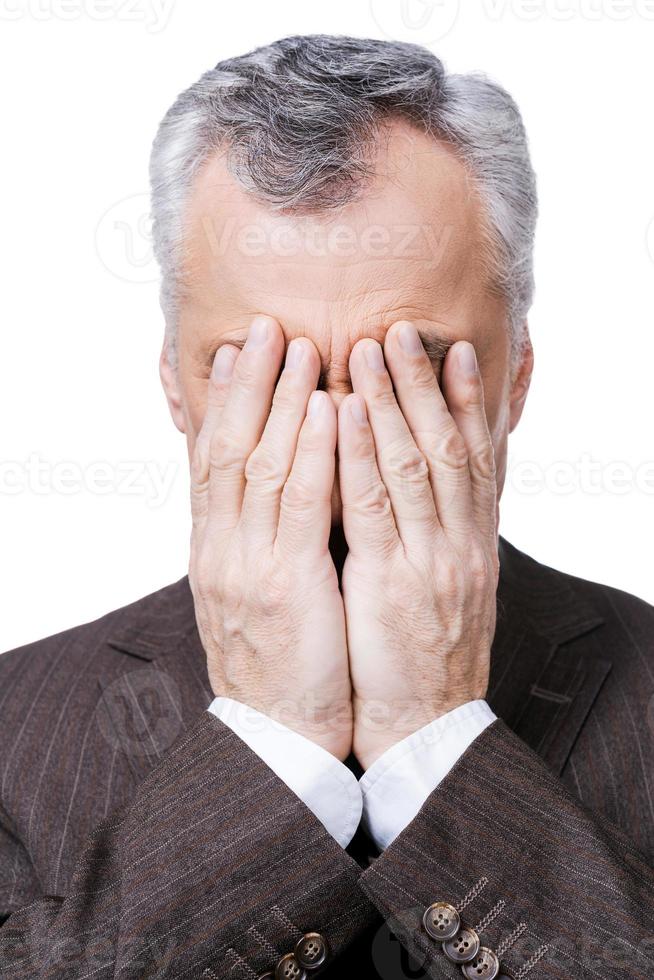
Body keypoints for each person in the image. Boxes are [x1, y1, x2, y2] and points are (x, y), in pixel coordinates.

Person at [1, 34, 652, 980]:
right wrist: (273, 739)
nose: (344, 441)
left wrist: (437, 741)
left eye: (412, 371)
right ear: (176, 389)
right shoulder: (13, 734)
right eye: (261, 375)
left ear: (517, 378)